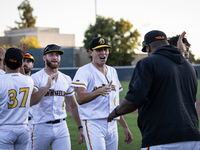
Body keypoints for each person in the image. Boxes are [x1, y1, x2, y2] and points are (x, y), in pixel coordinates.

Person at [108, 30, 200, 150]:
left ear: (148, 47)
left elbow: (135, 99)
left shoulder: (147, 63)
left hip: (161, 138)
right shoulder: (190, 68)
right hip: (193, 138)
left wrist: (115, 113)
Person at [71, 37, 133, 150]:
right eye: (99, 49)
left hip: (112, 124)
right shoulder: (84, 71)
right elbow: (79, 99)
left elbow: (115, 104)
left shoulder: (113, 71)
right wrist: (98, 91)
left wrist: (125, 126)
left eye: (105, 49)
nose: (103, 52)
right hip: (93, 123)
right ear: (91, 52)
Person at [28, 44, 84, 150]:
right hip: (40, 127)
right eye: (51, 55)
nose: (55, 57)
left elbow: (73, 105)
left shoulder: (66, 78)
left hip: (61, 127)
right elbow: (32, 101)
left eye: (57, 55)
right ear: (44, 57)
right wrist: (47, 86)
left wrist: (80, 127)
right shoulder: (35, 78)